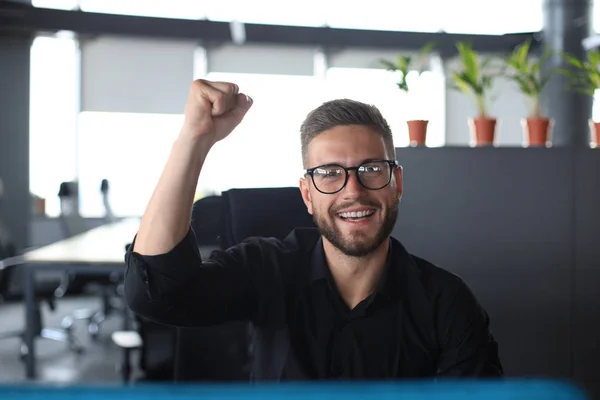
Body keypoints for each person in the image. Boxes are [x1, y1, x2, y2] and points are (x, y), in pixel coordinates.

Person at [124, 79, 503, 380]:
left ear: (397, 183)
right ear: (307, 194)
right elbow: (155, 293)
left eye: (371, 169)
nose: (353, 191)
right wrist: (194, 139)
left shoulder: (447, 302)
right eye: (329, 174)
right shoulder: (267, 268)